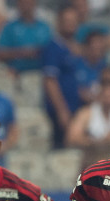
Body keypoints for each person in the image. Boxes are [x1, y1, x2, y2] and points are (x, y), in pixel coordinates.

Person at [66, 67, 110, 170]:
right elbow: (71, 138)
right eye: (105, 86)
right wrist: (98, 142)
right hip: (92, 167)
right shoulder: (86, 114)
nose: (109, 92)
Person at [42, 5, 84, 148]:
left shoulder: (76, 48)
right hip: (61, 112)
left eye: (73, 21)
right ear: (59, 22)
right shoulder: (53, 47)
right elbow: (50, 81)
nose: (70, 24)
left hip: (78, 108)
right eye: (67, 20)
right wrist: (61, 110)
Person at [0, 0, 52, 75]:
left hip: (42, 72)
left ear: (34, 4)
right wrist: (22, 53)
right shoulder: (9, 27)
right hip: (17, 73)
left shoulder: (44, 27)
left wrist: (39, 52)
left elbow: (53, 50)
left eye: (29, 3)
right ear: (18, 5)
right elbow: (0, 53)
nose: (26, 6)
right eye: (23, 3)